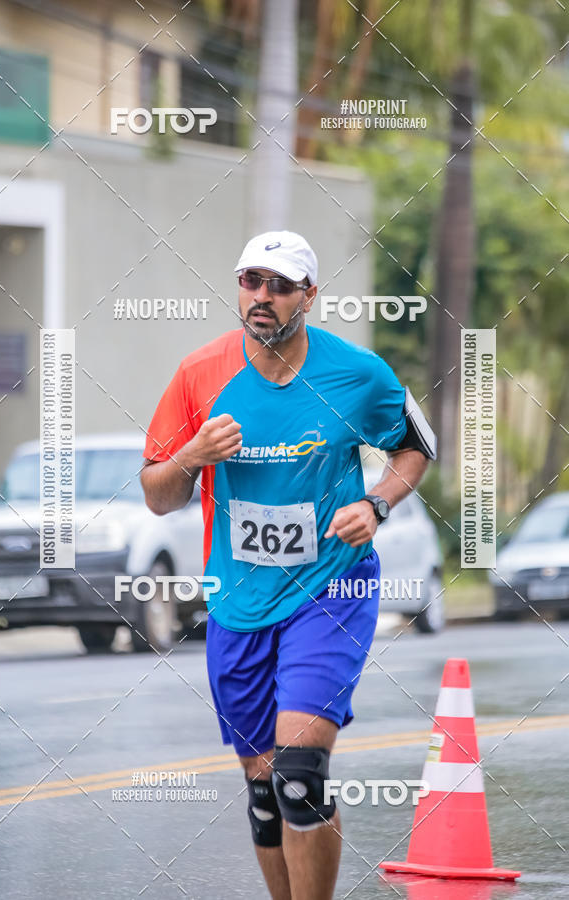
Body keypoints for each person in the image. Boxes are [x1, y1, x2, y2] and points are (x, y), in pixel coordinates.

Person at [141, 231, 436, 900]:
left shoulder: (356, 374)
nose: (262, 297)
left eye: (279, 285)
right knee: (265, 791)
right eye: (251, 281)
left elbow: (418, 444)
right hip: (238, 602)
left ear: (309, 295)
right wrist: (192, 455)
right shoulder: (200, 375)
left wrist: (378, 503)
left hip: (330, 586)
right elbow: (158, 497)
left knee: (300, 772)